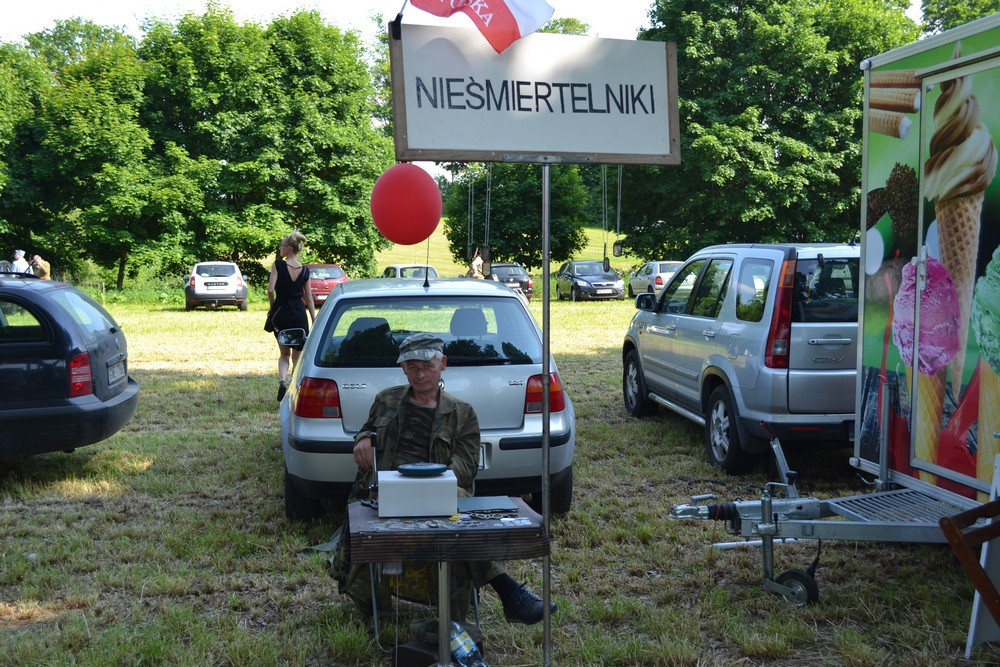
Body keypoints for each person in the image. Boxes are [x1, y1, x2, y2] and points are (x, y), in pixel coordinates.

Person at [331, 333, 555, 625]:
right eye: (412, 366)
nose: (420, 373)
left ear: (443, 364)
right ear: (403, 369)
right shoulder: (386, 400)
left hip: (440, 495)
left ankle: (502, 597)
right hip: (383, 496)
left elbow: (465, 466)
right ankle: (509, 591)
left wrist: (429, 481)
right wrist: (362, 439)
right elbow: (368, 428)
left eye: (427, 365)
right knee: (456, 526)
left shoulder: (462, 414)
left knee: (456, 515)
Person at [267, 231, 317, 401]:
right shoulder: (305, 270)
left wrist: (272, 308)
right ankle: (293, 387)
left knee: (284, 354)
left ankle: (282, 381)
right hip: (299, 315)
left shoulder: (278, 265)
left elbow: (270, 290)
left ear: (288, 248)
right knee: (297, 356)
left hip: (282, 313)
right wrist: (313, 318)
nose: (280, 248)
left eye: (281, 246)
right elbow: (309, 297)